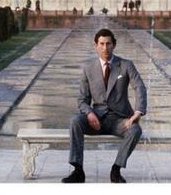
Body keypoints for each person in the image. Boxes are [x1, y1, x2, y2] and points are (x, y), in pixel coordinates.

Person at [62, 28, 146, 184]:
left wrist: (138, 112)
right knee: (75, 121)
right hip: (96, 120)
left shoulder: (126, 65)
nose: (105, 48)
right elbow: (82, 99)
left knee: (135, 130)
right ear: (96, 45)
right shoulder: (88, 68)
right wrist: (89, 113)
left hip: (120, 120)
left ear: (114, 45)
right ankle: (78, 170)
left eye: (108, 44)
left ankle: (116, 169)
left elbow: (139, 87)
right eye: (101, 44)